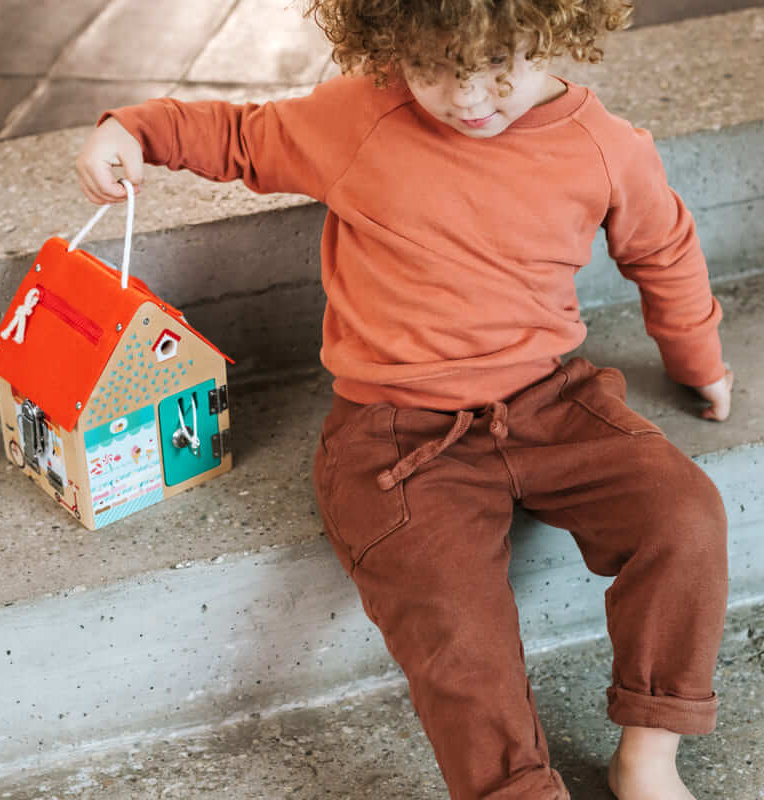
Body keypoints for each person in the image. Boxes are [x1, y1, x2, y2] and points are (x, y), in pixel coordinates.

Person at [75, 1, 735, 797]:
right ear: (391, 48)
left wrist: (698, 356)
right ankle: (516, 789)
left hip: (549, 402)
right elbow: (240, 138)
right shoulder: (362, 118)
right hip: (396, 436)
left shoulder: (604, 147)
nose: (468, 97)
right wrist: (133, 130)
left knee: (687, 515)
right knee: (453, 623)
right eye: (434, 68)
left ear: (559, 36)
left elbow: (662, 249)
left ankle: (650, 753)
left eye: (499, 67)